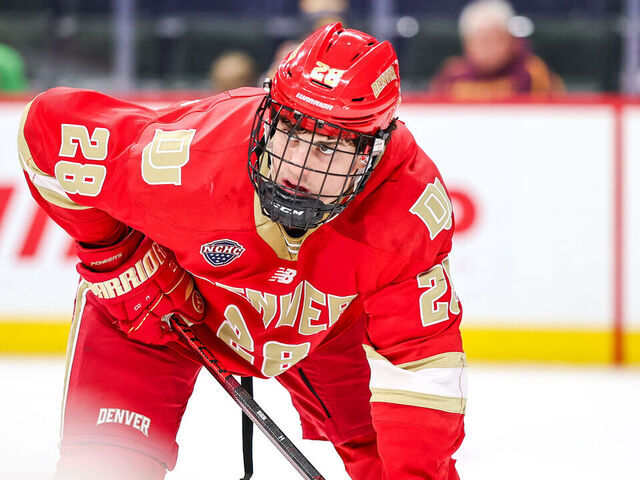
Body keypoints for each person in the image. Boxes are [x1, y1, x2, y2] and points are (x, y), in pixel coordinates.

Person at [18, 22, 466, 480]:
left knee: (394, 463)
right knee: (103, 470)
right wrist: (119, 258)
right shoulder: (192, 156)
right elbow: (47, 128)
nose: (296, 164)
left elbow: (420, 364)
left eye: (328, 147)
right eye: (290, 130)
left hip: (323, 327)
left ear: (372, 150)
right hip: (157, 309)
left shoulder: (405, 207)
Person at [429, 0, 564, 99]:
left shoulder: (532, 72)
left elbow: (558, 113)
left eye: (497, 39)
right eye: (483, 41)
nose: (490, 48)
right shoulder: (452, 75)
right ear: (467, 44)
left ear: (511, 40)